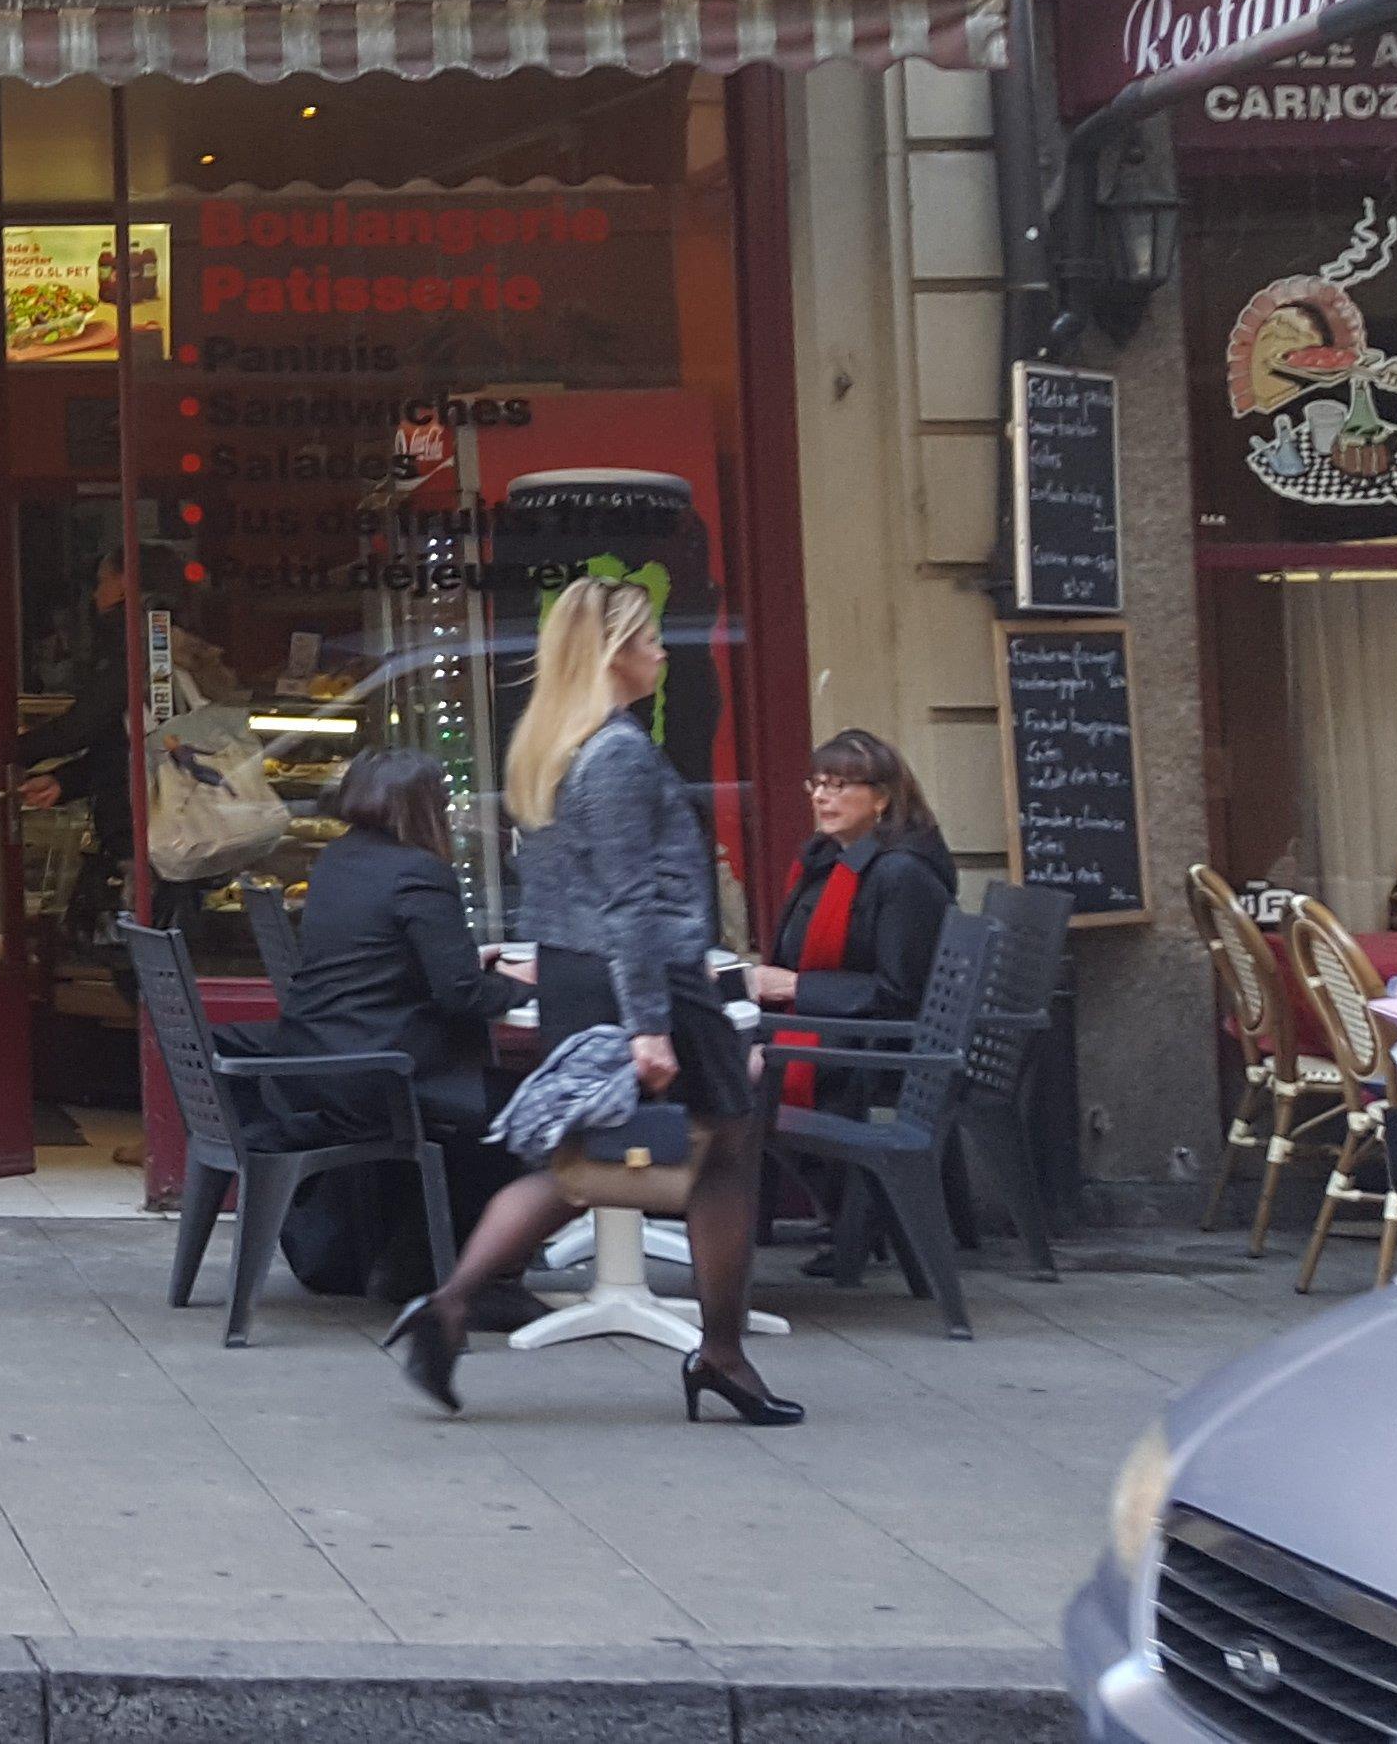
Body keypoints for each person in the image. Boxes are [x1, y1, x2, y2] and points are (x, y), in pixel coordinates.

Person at [391, 573, 798, 1427]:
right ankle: (721, 1354)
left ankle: (453, 1305)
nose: (661, 653)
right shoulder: (615, 755)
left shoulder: (554, 747)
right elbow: (629, 899)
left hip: (587, 971)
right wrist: (651, 1024)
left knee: (576, 1163)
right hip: (646, 976)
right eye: (649, 640)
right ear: (614, 654)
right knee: (723, 1155)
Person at [261, 747, 521, 1307]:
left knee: (492, 1106)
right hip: (378, 1075)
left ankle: (425, 1261)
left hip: (319, 1063)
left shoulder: (336, 858)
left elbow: (380, 959)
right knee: (526, 1110)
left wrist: (459, 963)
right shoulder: (421, 872)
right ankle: (476, 1280)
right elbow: (462, 995)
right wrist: (531, 982)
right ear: (427, 807)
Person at [753, 728, 955, 1282]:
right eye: (816, 784)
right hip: (840, 1037)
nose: (821, 797)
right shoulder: (827, 863)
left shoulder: (903, 874)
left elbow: (899, 996)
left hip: (878, 1057)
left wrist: (791, 989)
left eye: (840, 785)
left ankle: (725, 1235)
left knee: (735, 1078)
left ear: (883, 798)